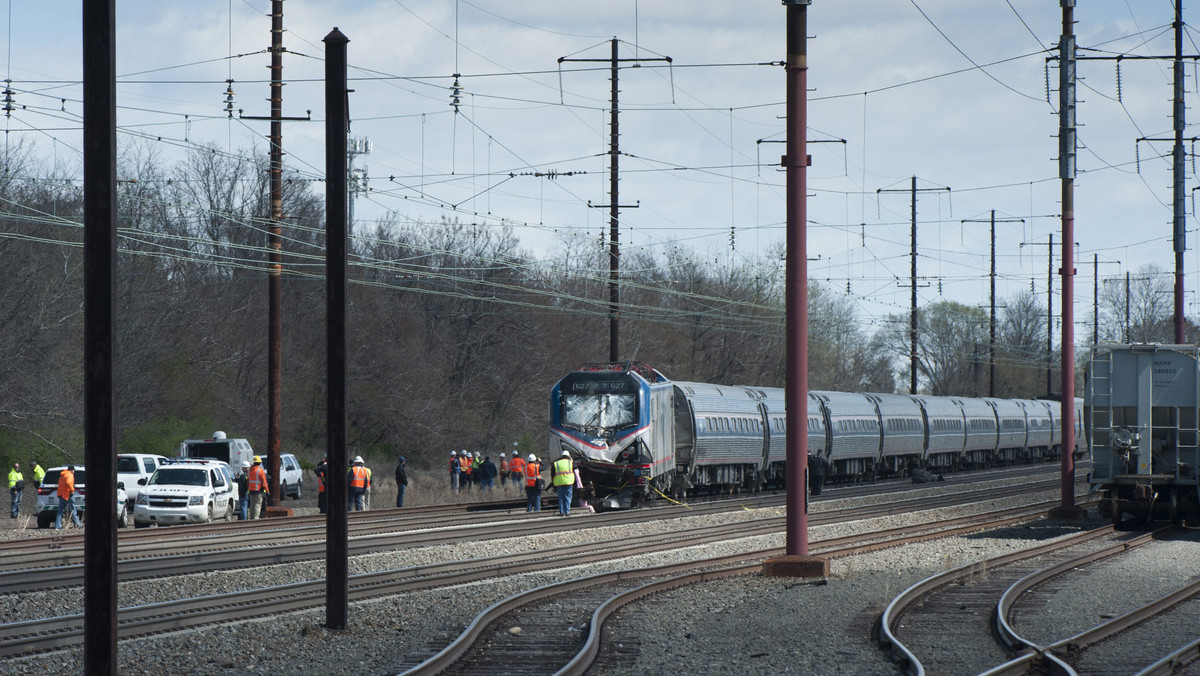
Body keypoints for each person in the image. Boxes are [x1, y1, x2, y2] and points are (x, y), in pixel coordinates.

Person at [55, 465, 82, 529]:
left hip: (61, 495)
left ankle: (57, 526)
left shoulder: (62, 476)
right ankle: (78, 525)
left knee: (60, 511)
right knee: (72, 510)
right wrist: (72, 490)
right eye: (73, 470)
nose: (74, 472)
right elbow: (68, 483)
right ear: (72, 470)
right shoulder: (69, 475)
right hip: (68, 495)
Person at [551, 450, 575, 516]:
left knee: (561, 498)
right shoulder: (570, 462)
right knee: (568, 497)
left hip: (559, 482)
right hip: (568, 482)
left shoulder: (556, 463)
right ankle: (567, 512)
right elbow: (575, 467)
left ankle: (561, 512)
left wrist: (553, 483)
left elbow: (552, 473)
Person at [246, 455, 269, 520]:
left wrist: (249, 488)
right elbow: (264, 482)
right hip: (258, 490)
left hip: (251, 490)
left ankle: (251, 518)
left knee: (252, 505)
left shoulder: (249, 471)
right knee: (257, 504)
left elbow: (248, 481)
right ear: (259, 463)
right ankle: (255, 518)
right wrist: (267, 490)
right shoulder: (260, 471)